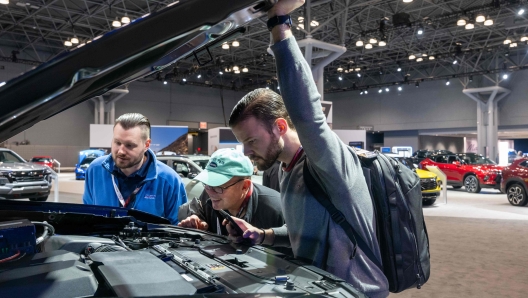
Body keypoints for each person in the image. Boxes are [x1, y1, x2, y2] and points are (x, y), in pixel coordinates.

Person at [226, 0, 389, 297]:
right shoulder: (286, 170)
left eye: (251, 141)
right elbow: (306, 235)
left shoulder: (326, 162)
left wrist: (279, 24)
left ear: (280, 127)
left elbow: (307, 112)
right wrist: (261, 234)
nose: (247, 152)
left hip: (354, 292)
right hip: (316, 288)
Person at [83, 113, 187, 225]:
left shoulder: (169, 181)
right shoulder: (95, 170)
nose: (121, 151)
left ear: (146, 145)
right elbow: (88, 219)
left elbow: (178, 230)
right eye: (117, 142)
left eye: (129, 145)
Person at [178, 148, 285, 238]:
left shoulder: (276, 211)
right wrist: (198, 220)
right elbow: (197, 208)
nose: (209, 191)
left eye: (218, 186)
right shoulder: (209, 195)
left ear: (245, 186)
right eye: (207, 183)